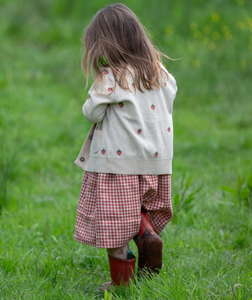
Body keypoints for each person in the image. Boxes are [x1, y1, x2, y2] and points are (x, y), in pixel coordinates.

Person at [74, 3, 177, 288]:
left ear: (104, 43)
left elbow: (92, 113)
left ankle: (120, 285)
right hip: (156, 161)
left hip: (117, 164)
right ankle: (146, 234)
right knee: (136, 206)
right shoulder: (161, 74)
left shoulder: (111, 76)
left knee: (114, 222)